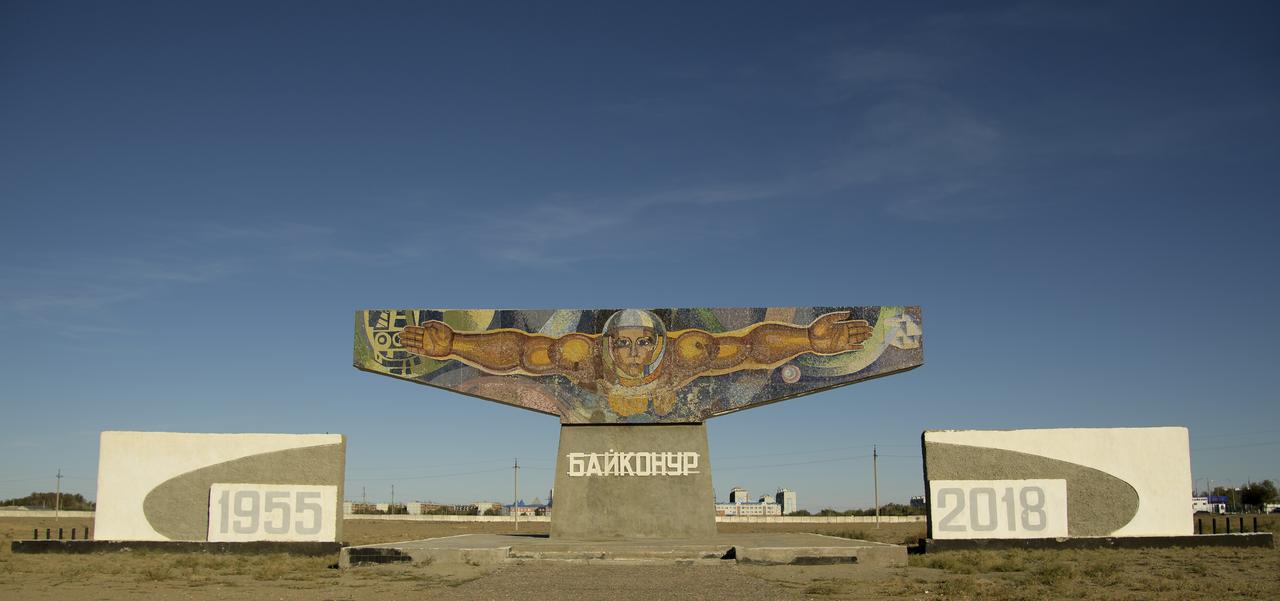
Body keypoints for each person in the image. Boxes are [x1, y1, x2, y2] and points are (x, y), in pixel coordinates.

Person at [399, 309, 871, 417]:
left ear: (661, 343)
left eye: (643, 344)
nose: (631, 355)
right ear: (607, 343)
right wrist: (455, 344)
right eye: (622, 345)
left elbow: (750, 347)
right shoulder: (580, 355)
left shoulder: (690, 353)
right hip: (592, 399)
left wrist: (809, 338)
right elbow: (522, 353)